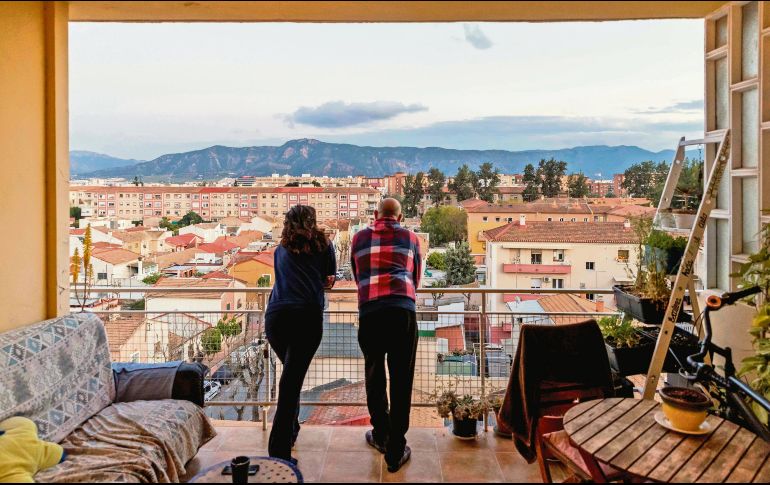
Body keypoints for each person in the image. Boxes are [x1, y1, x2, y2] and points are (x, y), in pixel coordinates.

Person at [351, 198, 422, 473]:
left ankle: (381, 434)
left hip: (371, 313)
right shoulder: (411, 237)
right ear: (400, 216)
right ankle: (395, 450)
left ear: (374, 214)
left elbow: (359, 277)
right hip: (402, 311)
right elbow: (414, 279)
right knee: (402, 380)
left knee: (374, 375)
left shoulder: (358, 238)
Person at [265, 205, 336, 463]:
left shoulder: (279, 250)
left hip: (276, 318)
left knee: (290, 377)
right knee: (291, 382)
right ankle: (279, 451)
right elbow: (330, 279)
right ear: (312, 221)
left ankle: (291, 431)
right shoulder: (324, 246)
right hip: (306, 318)